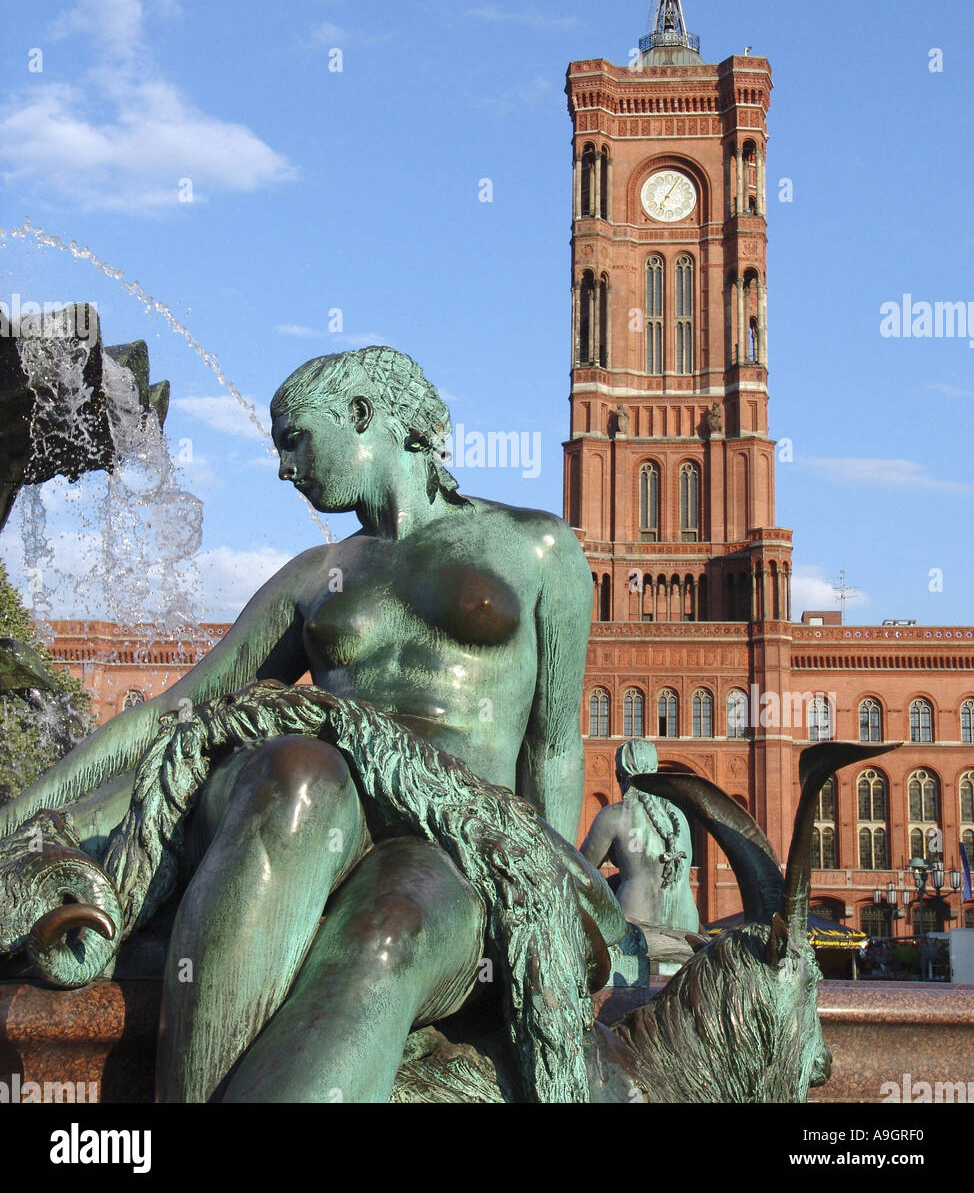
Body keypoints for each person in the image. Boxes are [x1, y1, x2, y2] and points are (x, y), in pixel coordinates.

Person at [0, 346, 622, 1102]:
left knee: (387, 926)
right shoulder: (315, 573)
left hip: (458, 844)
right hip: (318, 806)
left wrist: (548, 907)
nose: (287, 470)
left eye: (295, 439)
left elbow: (555, 745)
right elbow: (175, 712)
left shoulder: (539, 548)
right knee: (296, 770)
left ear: (362, 416)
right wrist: (23, 816)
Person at [580, 741, 699, 962]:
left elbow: (578, 873)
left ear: (620, 776)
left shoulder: (615, 815)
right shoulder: (679, 818)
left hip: (636, 934)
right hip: (686, 937)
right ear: (655, 772)